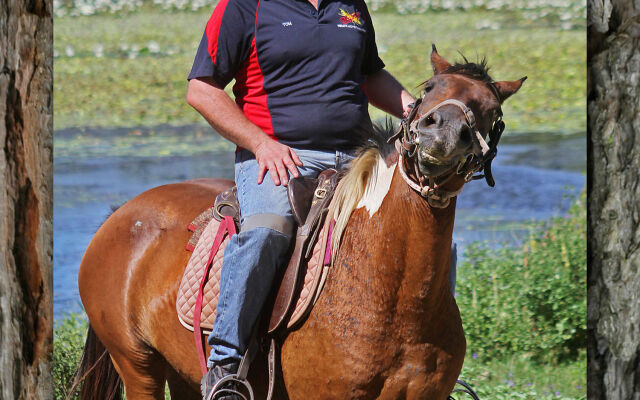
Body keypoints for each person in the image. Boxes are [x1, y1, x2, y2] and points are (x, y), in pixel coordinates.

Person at [186, 0, 414, 397]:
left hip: (360, 155)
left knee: (420, 224)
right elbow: (202, 90)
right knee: (267, 230)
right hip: (279, 155)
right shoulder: (244, 6)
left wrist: (416, 110)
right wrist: (260, 144)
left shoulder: (350, 5)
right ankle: (226, 364)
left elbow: (369, 74)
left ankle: (424, 362)